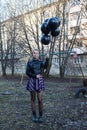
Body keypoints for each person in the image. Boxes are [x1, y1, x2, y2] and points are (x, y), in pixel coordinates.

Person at [26, 49, 49, 123]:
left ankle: (41, 116)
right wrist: (35, 76)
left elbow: (45, 66)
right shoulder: (29, 62)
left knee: (40, 100)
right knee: (33, 99)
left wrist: (47, 59)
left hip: (39, 81)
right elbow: (27, 72)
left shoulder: (40, 62)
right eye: (34, 53)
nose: (36, 54)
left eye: (37, 53)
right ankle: (34, 115)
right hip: (32, 80)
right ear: (33, 54)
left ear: (38, 54)